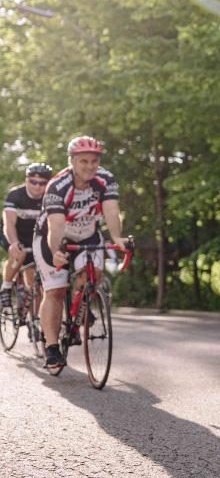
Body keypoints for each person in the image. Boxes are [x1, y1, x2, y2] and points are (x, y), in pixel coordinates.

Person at [33, 138, 128, 371]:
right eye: (83, 161)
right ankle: (52, 348)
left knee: (93, 274)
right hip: (53, 236)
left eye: (94, 161)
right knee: (55, 290)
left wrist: (116, 238)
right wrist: (56, 252)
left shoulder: (106, 180)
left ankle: (76, 316)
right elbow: (55, 226)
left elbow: (111, 210)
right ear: (72, 161)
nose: (89, 166)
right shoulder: (57, 186)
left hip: (87, 234)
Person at [1, 163, 53, 309]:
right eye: (33, 181)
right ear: (26, 180)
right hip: (13, 233)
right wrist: (14, 242)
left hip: (37, 237)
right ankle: (6, 286)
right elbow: (9, 223)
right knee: (19, 252)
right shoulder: (16, 195)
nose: (37, 186)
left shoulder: (51, 198)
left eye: (42, 183)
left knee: (34, 283)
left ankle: (34, 323)